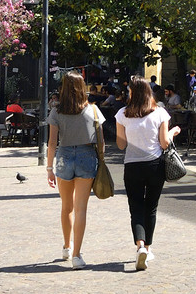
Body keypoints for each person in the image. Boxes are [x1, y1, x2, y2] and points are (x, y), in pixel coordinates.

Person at [115, 76, 179, 270]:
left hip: (132, 165)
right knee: (151, 207)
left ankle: (140, 245)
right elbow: (164, 143)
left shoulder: (122, 114)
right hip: (154, 165)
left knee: (136, 208)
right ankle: (148, 248)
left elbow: (121, 145)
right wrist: (173, 132)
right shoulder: (160, 113)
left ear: (132, 92)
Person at [45, 71, 103, 270]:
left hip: (64, 155)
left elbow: (52, 143)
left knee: (66, 207)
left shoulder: (57, 111)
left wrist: (49, 168)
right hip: (87, 156)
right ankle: (77, 255)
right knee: (81, 209)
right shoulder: (93, 110)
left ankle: (66, 247)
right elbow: (101, 141)